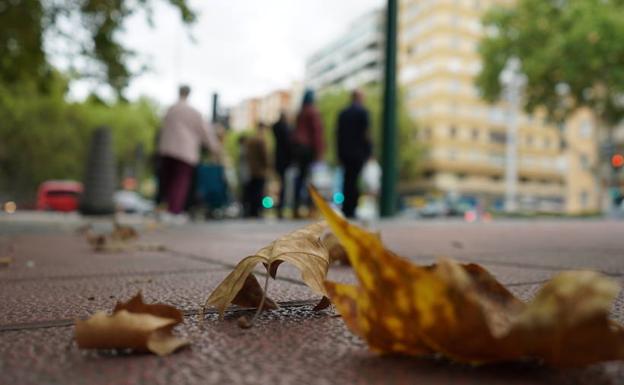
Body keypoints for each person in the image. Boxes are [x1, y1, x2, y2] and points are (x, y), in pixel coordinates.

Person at [158, 85, 220, 215]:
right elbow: (205, 131)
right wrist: (214, 147)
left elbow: (162, 128)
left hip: (167, 149)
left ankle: (167, 207)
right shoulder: (193, 112)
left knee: (168, 180)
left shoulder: (170, 109)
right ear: (189, 94)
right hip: (185, 151)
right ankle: (174, 210)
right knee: (181, 180)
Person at [337, 89, 372, 218]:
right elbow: (366, 134)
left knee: (347, 180)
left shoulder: (343, 114)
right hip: (358, 153)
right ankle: (352, 208)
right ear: (359, 98)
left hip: (345, 153)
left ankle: (347, 209)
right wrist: (369, 152)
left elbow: (338, 135)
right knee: (356, 180)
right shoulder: (363, 112)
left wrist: (339, 154)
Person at [292, 89, 324, 218]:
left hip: (298, 149)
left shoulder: (300, 112)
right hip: (309, 149)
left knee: (300, 178)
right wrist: (319, 152)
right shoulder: (313, 112)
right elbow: (316, 133)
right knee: (311, 180)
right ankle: (311, 208)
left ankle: (296, 207)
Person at [244, 122, 269, 218]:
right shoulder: (261, 141)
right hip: (260, 171)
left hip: (251, 170)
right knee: (259, 191)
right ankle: (257, 211)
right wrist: (268, 167)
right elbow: (265, 157)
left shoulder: (250, 141)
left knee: (252, 191)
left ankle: (251, 211)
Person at [272, 111, 292, 218]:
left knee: (281, 183)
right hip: (284, 159)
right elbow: (288, 143)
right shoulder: (285, 128)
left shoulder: (275, 128)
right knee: (284, 184)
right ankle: (281, 207)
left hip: (278, 157)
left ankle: (279, 207)